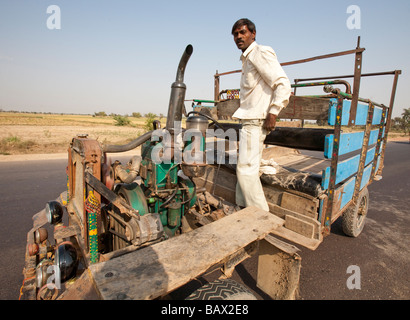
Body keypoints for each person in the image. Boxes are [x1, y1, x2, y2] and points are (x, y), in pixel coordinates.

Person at [231, 18, 291, 211]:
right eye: (235, 34)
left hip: (255, 122)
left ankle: (260, 217)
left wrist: (273, 112)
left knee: (246, 170)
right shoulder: (247, 59)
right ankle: (243, 209)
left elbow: (282, 83)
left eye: (243, 32)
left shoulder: (260, 52)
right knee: (246, 167)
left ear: (253, 34)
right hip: (248, 121)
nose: (239, 37)